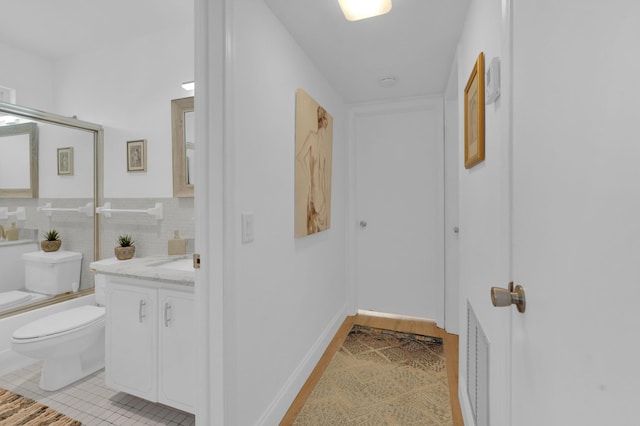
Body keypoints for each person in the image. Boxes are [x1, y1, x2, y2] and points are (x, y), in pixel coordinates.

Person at [296, 106, 330, 234]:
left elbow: (324, 176)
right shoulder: (312, 137)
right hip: (314, 194)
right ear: (319, 122)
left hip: (323, 197)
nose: (323, 129)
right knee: (312, 230)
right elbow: (300, 157)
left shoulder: (324, 149)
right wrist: (308, 179)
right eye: (323, 123)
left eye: (325, 125)